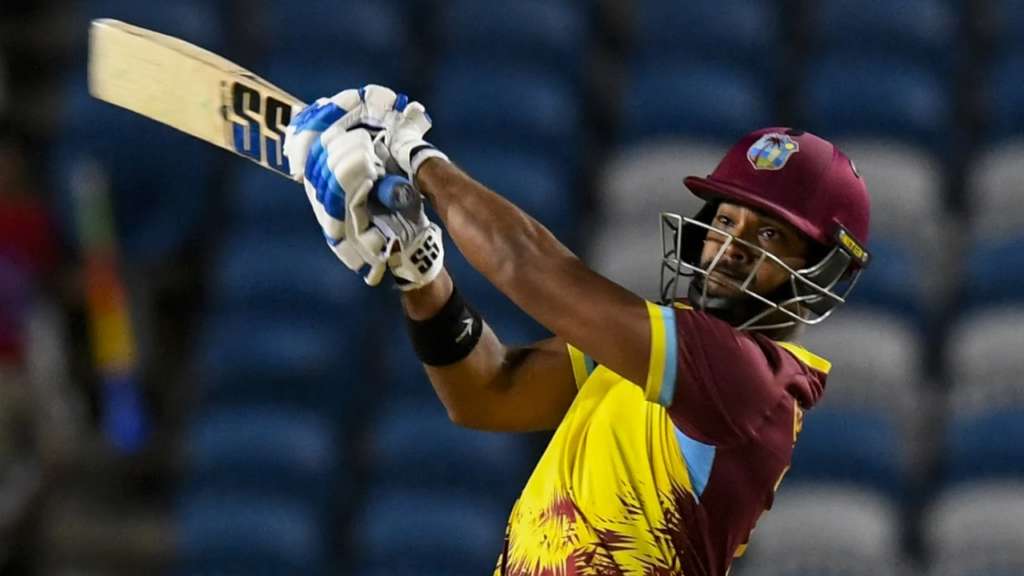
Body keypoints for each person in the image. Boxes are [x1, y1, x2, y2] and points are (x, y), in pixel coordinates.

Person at [282, 86, 871, 576]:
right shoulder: (655, 357)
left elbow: (531, 268)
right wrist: (420, 269)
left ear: (823, 272)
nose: (731, 245)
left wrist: (415, 156)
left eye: (769, 234)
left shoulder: (750, 380)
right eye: (725, 219)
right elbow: (489, 390)